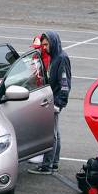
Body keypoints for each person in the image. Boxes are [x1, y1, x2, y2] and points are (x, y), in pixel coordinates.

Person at [28, 31, 70, 175]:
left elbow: (64, 84)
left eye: (46, 44)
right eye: (43, 44)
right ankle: (53, 163)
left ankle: (48, 165)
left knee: (51, 134)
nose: (44, 48)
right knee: (54, 133)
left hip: (55, 101)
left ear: (53, 43)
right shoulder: (54, 57)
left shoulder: (61, 58)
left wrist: (59, 103)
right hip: (52, 99)